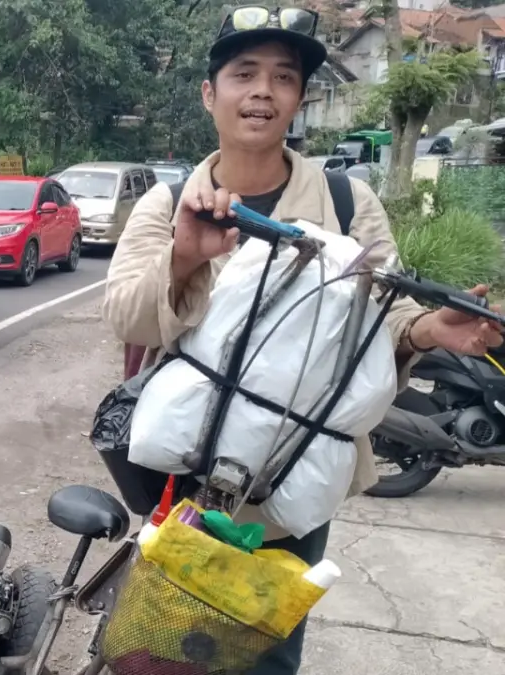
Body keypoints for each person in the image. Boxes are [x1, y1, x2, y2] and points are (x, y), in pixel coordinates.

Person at [103, 6, 502, 674]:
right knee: (159, 649)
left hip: (289, 493)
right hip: (182, 479)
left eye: (283, 77)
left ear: (300, 99)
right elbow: (128, 318)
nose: (262, 90)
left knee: (266, 658)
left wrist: (432, 329)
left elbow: (389, 315)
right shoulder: (169, 205)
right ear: (210, 93)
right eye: (244, 73)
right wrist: (183, 258)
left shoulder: (348, 206)